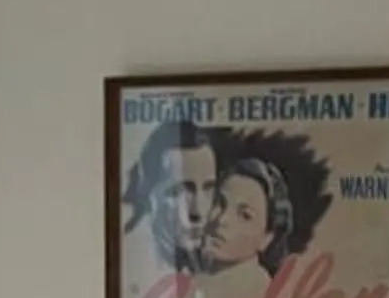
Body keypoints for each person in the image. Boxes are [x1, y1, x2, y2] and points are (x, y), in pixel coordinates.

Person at [202, 131, 331, 277]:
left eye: (245, 216)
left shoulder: (255, 291)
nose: (221, 219)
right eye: (219, 203)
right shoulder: (204, 280)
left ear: (268, 238)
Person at [123, 116, 223, 272]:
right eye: (180, 191)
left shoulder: (208, 262)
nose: (198, 212)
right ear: (148, 194)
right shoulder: (130, 261)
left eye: (208, 188)